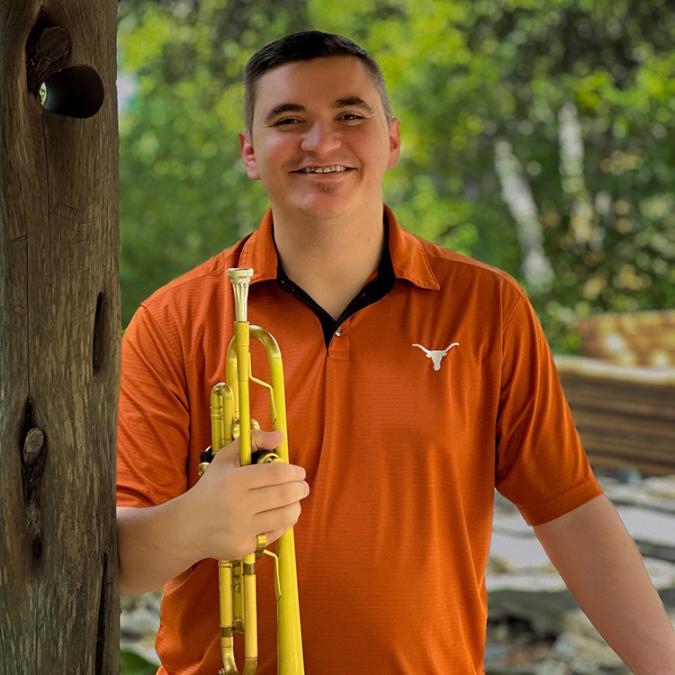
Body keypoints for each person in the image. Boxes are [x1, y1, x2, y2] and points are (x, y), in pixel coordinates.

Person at [116, 31, 675, 674]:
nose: (320, 143)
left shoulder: (488, 307)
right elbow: (122, 559)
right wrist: (196, 521)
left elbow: (570, 509)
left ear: (393, 139)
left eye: (349, 116)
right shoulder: (172, 319)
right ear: (250, 151)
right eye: (288, 120)